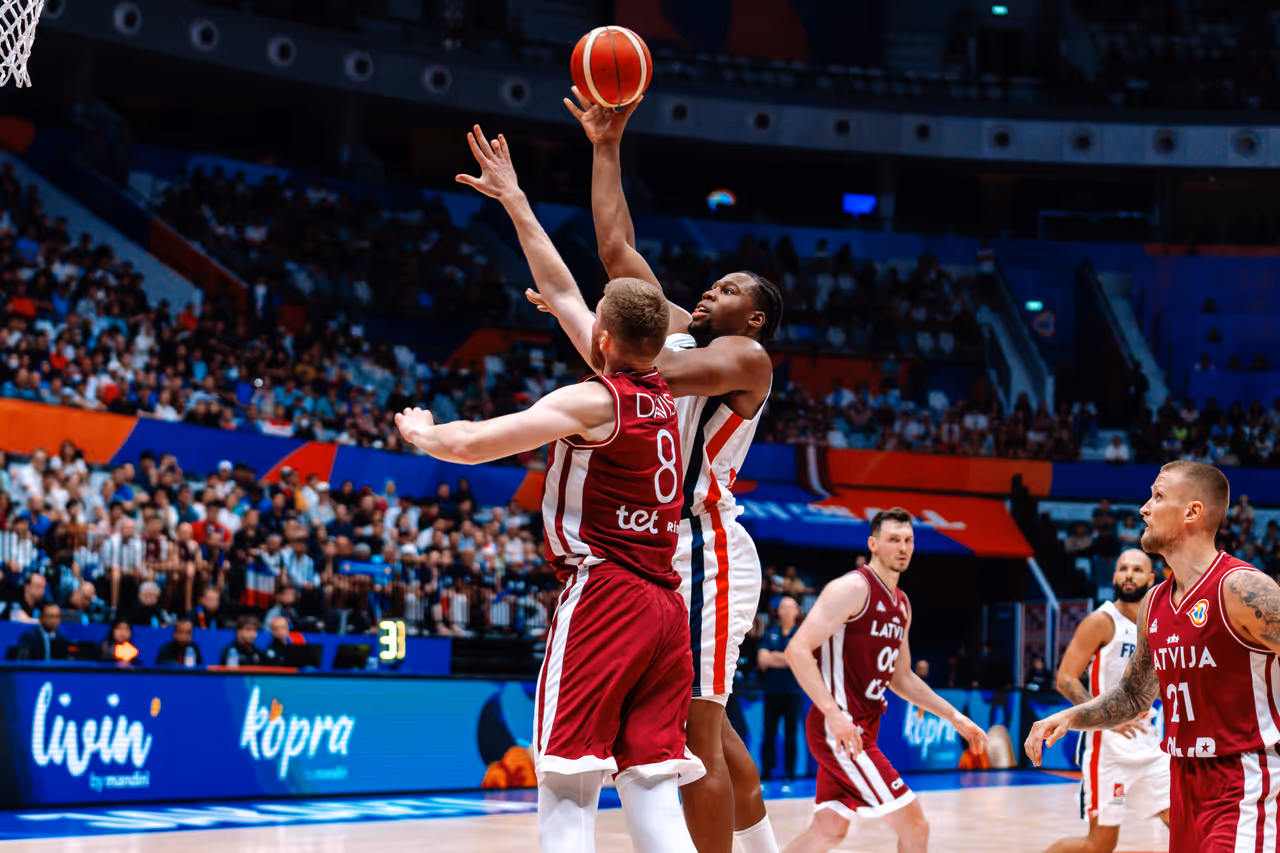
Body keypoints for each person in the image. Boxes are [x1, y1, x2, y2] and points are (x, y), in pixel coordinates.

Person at [402, 144, 701, 852]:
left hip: (606, 594)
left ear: (601, 337)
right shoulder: (662, 385)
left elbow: (474, 443)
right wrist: (515, 201)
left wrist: (423, 433)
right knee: (652, 792)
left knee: (565, 785)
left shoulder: (593, 399)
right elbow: (565, 292)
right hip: (666, 606)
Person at [519, 93, 785, 853]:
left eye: (728, 289)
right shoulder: (678, 336)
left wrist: (593, 326)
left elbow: (649, 357)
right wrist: (607, 143)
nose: (709, 291)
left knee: (694, 728)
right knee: (702, 723)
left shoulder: (742, 358)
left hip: (704, 545)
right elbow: (614, 250)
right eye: (710, 285)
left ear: (755, 318)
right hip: (657, 550)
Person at [1026, 461, 1280, 853]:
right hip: (1183, 779)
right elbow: (1133, 696)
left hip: (1243, 780)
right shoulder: (1155, 602)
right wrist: (1069, 716)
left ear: (1192, 512)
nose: (1144, 508)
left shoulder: (1242, 588)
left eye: (1157, 496)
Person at [781, 509, 987, 853]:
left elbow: (901, 677)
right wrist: (833, 714)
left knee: (828, 831)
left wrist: (954, 716)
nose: (902, 547)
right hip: (841, 729)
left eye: (908, 540)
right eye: (893, 540)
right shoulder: (851, 588)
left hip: (862, 726)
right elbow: (797, 650)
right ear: (873, 544)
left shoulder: (902, 604)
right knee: (915, 825)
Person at [1040, 549, 1170, 853]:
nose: (1128, 574)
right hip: (1107, 751)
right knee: (1099, 846)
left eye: (1137, 570)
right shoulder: (1101, 620)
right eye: (1123, 568)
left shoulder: (1158, 625)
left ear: (1151, 579)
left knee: (1182, 824)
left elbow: (1158, 684)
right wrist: (1106, 719)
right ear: (1113, 577)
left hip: (1150, 746)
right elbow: (1065, 679)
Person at [758, 595, 804, 781]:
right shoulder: (770, 633)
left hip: (793, 692)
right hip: (771, 692)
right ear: (778, 612)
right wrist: (786, 658)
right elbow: (762, 661)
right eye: (782, 607)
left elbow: (800, 661)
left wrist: (774, 658)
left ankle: (790, 774)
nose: (785, 611)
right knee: (769, 733)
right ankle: (766, 774)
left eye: (789, 607)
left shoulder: (801, 635)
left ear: (796, 611)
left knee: (791, 734)